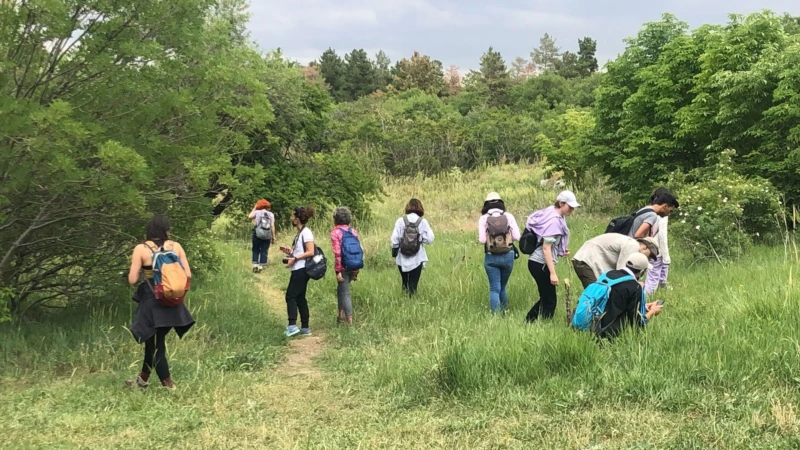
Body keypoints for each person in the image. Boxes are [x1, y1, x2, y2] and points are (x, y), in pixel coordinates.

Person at [125, 215, 194, 391]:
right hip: (172, 301)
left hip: (152, 301)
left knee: (156, 347)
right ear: (165, 230)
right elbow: (188, 275)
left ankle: (170, 387)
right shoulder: (175, 246)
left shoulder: (141, 249)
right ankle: (141, 382)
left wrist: (144, 271)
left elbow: (132, 279)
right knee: (154, 341)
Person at [525, 191, 579, 323]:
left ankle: (529, 322)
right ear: (561, 203)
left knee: (546, 297)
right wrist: (553, 274)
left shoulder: (553, 212)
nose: (572, 209)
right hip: (540, 263)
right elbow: (546, 248)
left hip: (537, 262)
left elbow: (550, 243)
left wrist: (560, 250)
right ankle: (543, 325)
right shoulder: (554, 221)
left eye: (573, 207)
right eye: (569, 206)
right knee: (550, 300)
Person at [595, 252, 663, 339]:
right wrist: (653, 311)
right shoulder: (635, 287)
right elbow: (638, 322)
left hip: (591, 323)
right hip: (606, 333)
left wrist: (644, 307)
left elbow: (614, 302)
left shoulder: (608, 274)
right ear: (642, 272)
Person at [477, 192, 521, 314]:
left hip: (491, 257)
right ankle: (504, 311)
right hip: (508, 255)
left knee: (494, 288)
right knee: (503, 287)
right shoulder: (508, 216)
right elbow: (517, 236)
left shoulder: (483, 218)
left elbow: (482, 240)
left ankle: (496, 316)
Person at [572, 234, 660, 288]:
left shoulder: (630, 244)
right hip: (587, 260)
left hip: (589, 260)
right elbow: (621, 274)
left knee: (599, 294)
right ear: (645, 247)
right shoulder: (633, 246)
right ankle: (578, 316)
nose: (649, 259)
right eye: (650, 256)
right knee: (596, 295)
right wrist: (635, 285)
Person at [280, 206, 316, 337]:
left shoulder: (306, 232)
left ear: (297, 219)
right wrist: (290, 252)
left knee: (290, 295)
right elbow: (302, 250)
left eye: (292, 216)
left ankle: (292, 326)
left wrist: (295, 258)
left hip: (301, 269)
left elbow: (310, 251)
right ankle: (305, 327)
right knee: (300, 297)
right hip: (298, 268)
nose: (290, 218)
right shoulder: (300, 233)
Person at [391, 198, 434, 295]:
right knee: (413, 285)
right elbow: (430, 239)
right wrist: (420, 238)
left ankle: (403, 301)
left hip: (402, 257)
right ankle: (411, 301)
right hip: (417, 257)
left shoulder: (400, 221)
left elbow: (394, 239)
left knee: (405, 282)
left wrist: (395, 250)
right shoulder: (423, 222)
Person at [330, 206, 360, 324]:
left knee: (345, 292)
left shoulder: (335, 233)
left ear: (335, 219)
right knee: (341, 290)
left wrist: (338, 271)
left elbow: (337, 253)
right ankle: (340, 315)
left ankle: (349, 322)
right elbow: (359, 249)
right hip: (354, 265)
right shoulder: (353, 231)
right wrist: (357, 269)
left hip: (343, 266)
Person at [645, 187, 672, 294]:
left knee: (652, 275)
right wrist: (666, 257)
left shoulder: (648, 210)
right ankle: (646, 298)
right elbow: (662, 237)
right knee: (653, 277)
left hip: (645, 246)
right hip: (656, 249)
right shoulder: (663, 215)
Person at [248, 199, 276, 273]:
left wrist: (254, 207)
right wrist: (273, 237)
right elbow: (272, 226)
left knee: (256, 249)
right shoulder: (271, 214)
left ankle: (255, 265)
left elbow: (249, 216)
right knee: (264, 250)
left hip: (257, 233)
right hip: (267, 235)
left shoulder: (257, 212)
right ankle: (261, 266)